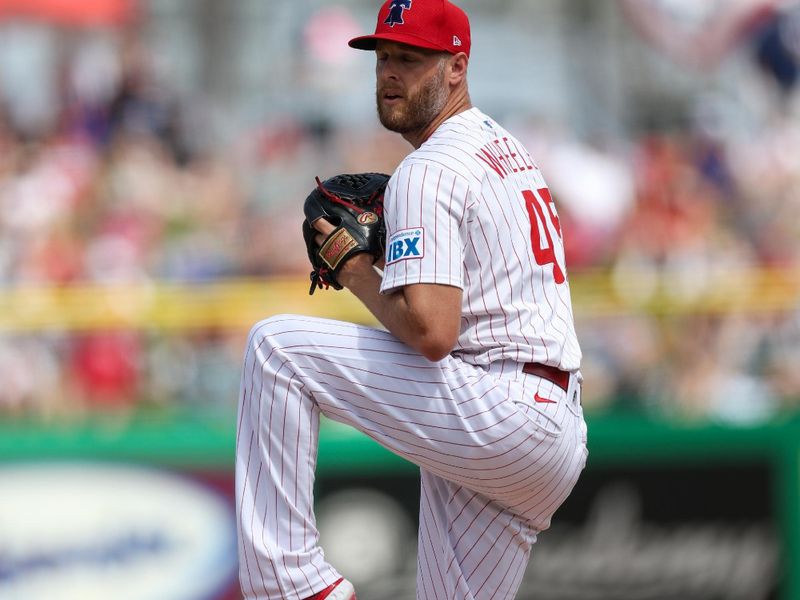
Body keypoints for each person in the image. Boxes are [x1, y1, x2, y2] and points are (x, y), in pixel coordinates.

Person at [235, 1, 588, 599]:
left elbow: (431, 334)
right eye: (384, 57)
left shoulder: (430, 168)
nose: (390, 73)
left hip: (500, 409)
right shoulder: (504, 147)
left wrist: (352, 268)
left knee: (277, 349)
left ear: (456, 67)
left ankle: (293, 586)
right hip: (542, 427)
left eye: (411, 59)